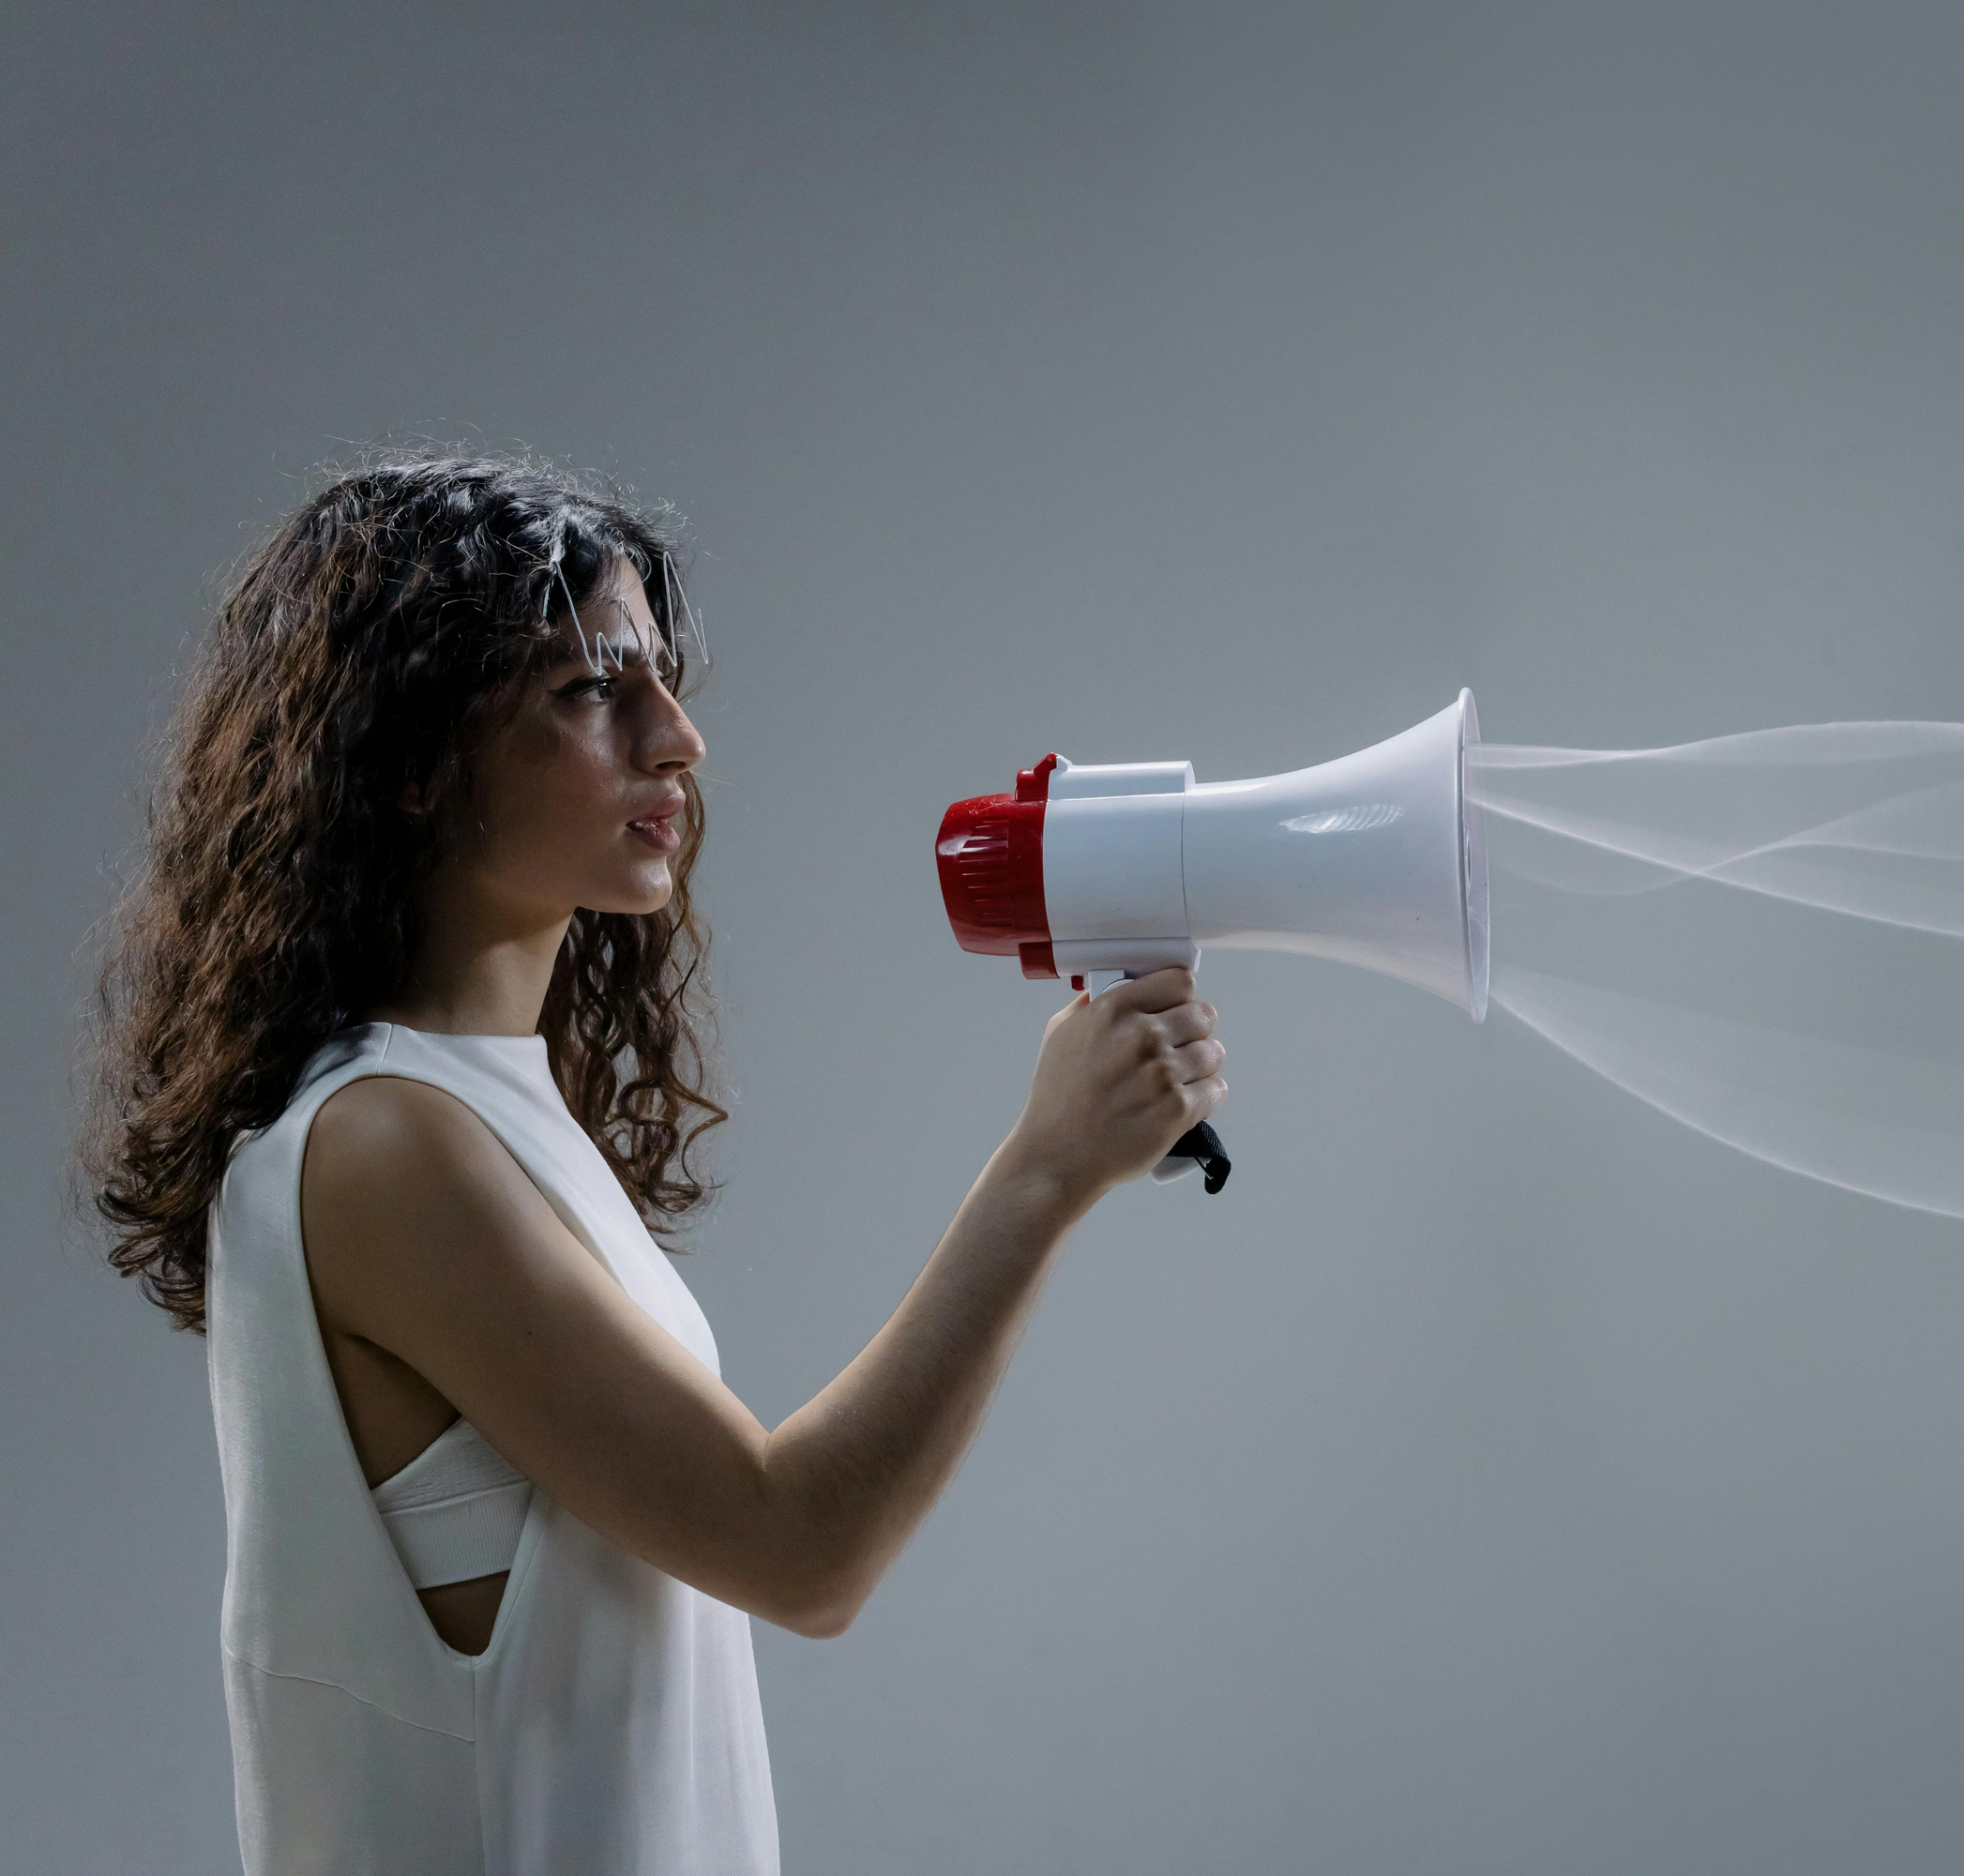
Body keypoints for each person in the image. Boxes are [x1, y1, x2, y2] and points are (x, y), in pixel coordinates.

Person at [87, 456, 1227, 1875]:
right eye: (590, 690)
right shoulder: (382, 1147)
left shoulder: (483, 1116)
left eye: (663, 682)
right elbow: (796, 1545)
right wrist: (1045, 1170)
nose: (676, 740)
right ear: (409, 759)